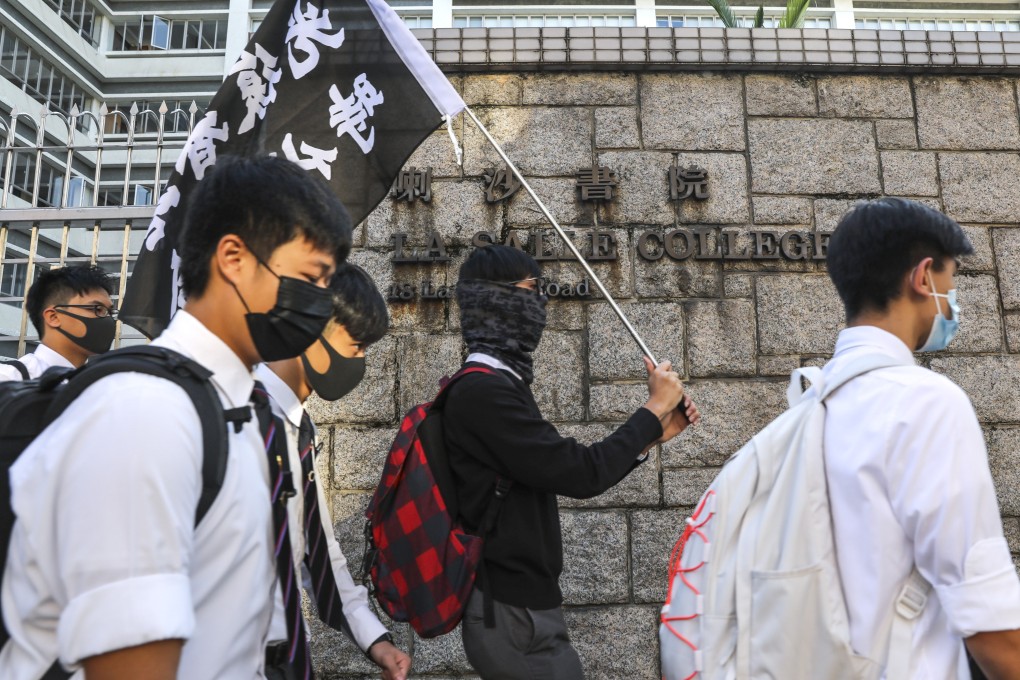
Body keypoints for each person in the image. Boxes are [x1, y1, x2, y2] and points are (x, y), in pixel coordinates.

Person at [0, 155, 351, 679]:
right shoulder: (146, 413)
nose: (322, 304)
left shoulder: (249, 412)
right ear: (233, 257)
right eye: (310, 278)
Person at [441, 244, 700, 680]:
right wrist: (652, 410)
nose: (540, 304)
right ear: (495, 300)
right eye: (530, 291)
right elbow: (579, 472)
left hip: (523, 607)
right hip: (510, 611)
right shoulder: (483, 392)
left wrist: (653, 433)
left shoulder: (497, 385)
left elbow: (559, 468)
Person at [824, 198, 1020, 678]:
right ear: (923, 277)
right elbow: (995, 630)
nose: (952, 303)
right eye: (951, 285)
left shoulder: (812, 404)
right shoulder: (927, 403)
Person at [257, 263, 411, 680]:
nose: (359, 362)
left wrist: (375, 641)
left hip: (285, 656)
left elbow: (318, 554)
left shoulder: (295, 426)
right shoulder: (237, 418)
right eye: (355, 346)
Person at [0, 264, 116, 381]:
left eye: (110, 312)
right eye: (97, 309)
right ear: (53, 317)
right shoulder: (9, 378)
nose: (107, 319)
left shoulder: (102, 386)